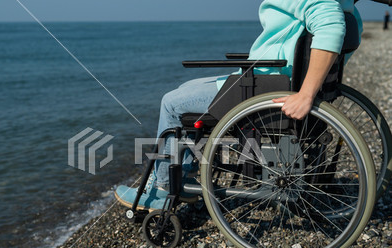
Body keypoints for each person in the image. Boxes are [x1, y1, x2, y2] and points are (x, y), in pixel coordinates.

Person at [115, 0, 363, 211]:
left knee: (171, 103)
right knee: (185, 90)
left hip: (267, 87)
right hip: (270, 78)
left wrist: (306, 94)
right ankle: (185, 175)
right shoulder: (348, 6)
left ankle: (163, 189)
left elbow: (330, 26)